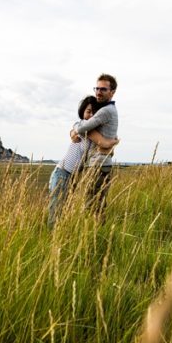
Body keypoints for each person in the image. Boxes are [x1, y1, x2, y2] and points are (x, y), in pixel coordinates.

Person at [48, 95, 119, 228]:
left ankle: (59, 238)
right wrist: (113, 142)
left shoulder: (91, 129)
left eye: (95, 112)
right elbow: (104, 143)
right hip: (63, 173)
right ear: (82, 112)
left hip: (73, 176)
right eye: (88, 111)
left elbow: (106, 147)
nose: (91, 115)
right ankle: (51, 241)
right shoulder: (82, 126)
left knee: (64, 211)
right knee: (56, 212)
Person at [71, 73, 120, 215]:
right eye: (97, 88)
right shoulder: (109, 110)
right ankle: (97, 231)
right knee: (98, 203)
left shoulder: (106, 111)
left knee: (92, 205)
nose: (98, 92)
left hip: (98, 164)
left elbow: (81, 129)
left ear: (112, 92)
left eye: (103, 89)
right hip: (101, 162)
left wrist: (75, 126)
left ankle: (94, 233)